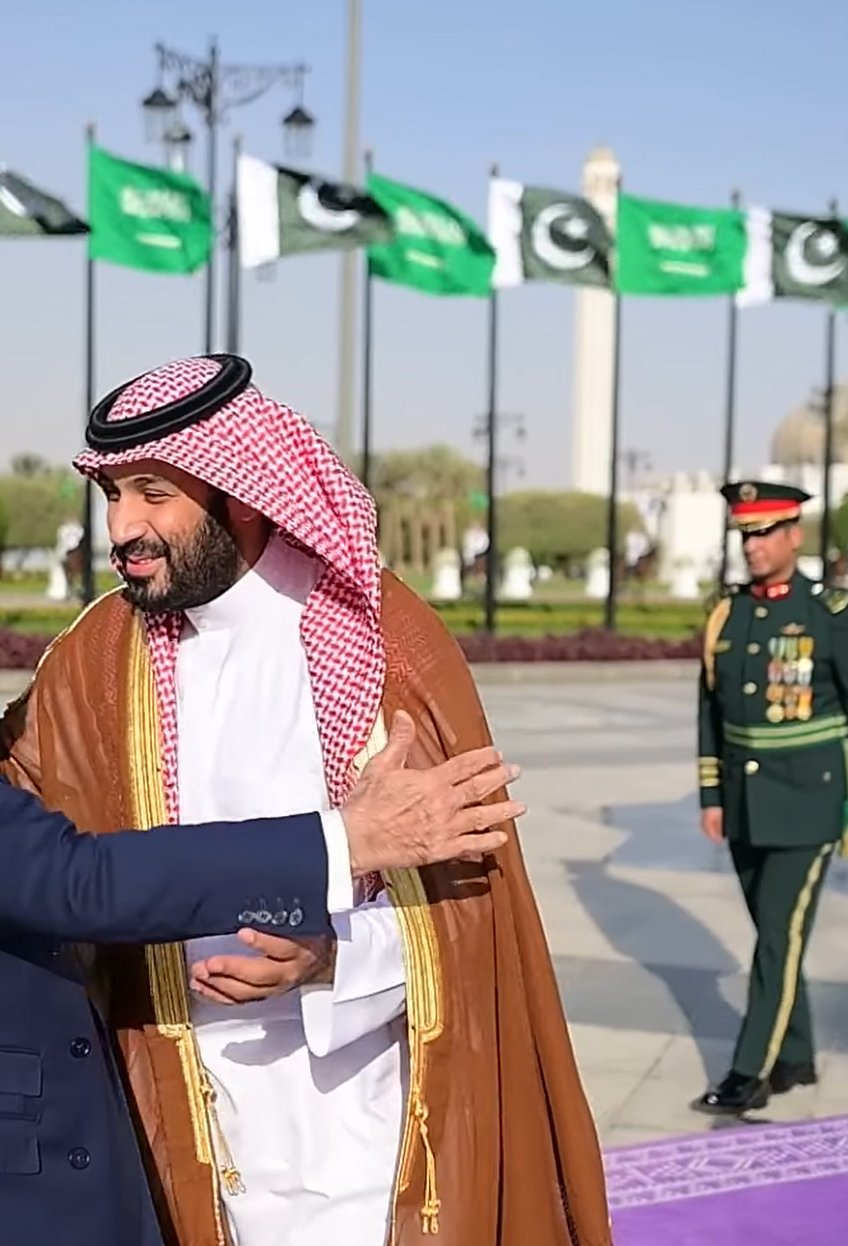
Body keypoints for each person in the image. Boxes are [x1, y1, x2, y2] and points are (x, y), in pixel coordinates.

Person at [0, 353, 610, 1246]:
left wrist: (333, 963)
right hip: (172, 1133)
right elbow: (53, 873)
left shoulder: (387, 644)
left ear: (243, 493)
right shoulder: (95, 661)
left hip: (355, 1139)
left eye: (154, 493)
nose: (124, 526)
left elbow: (471, 920)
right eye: (111, 494)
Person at [0, 713, 521, 1246]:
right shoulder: (80, 688)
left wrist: (337, 951)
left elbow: (451, 933)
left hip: (351, 1120)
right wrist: (347, 840)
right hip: (91, 1147)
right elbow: (78, 880)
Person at [694, 480, 848, 1116]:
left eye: (764, 534)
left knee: (776, 936)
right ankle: (797, 1056)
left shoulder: (835, 615)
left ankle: (749, 1071)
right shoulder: (728, 613)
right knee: (775, 933)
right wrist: (712, 794)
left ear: (794, 536)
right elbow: (710, 710)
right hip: (745, 801)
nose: (752, 547)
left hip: (810, 803)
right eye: (745, 536)